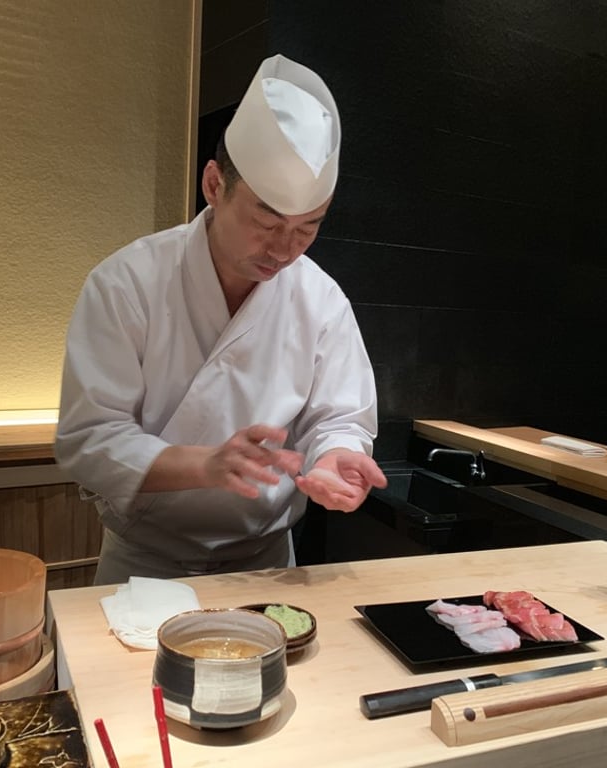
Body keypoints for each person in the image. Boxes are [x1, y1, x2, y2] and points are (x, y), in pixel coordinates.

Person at [54, 54, 386, 584]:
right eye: (266, 220)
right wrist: (204, 466)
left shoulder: (321, 300)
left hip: (267, 564)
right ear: (214, 185)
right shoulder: (127, 282)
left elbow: (339, 417)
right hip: (144, 564)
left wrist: (333, 457)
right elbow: (89, 438)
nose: (283, 250)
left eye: (307, 229)